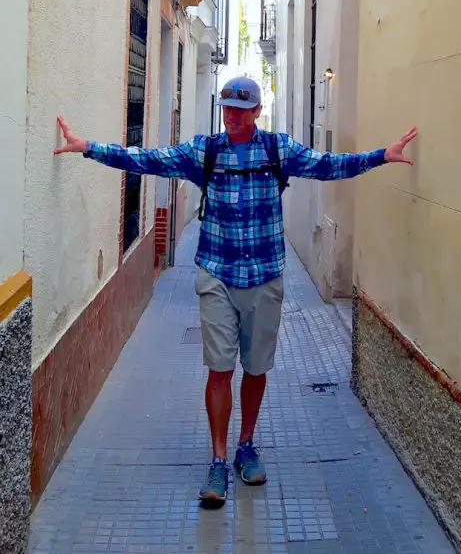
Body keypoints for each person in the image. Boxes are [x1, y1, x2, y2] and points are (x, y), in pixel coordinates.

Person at [54, 76, 417, 508]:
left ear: (257, 112)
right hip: (217, 276)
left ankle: (247, 445)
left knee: (257, 368)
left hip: (265, 277)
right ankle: (219, 459)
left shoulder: (277, 150)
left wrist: (380, 157)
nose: (232, 116)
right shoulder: (205, 151)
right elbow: (150, 159)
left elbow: (327, 165)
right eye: (227, 108)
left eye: (241, 110)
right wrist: (91, 148)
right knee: (220, 369)